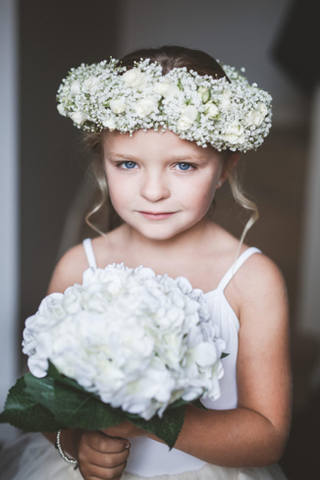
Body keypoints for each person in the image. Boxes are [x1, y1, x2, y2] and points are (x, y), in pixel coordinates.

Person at [0, 46, 291, 480]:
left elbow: (266, 434)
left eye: (183, 166)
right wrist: (76, 443)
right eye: (128, 163)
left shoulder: (251, 280)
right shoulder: (80, 267)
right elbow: (46, 400)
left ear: (225, 166)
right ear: (103, 159)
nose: (153, 191)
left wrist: (148, 420)